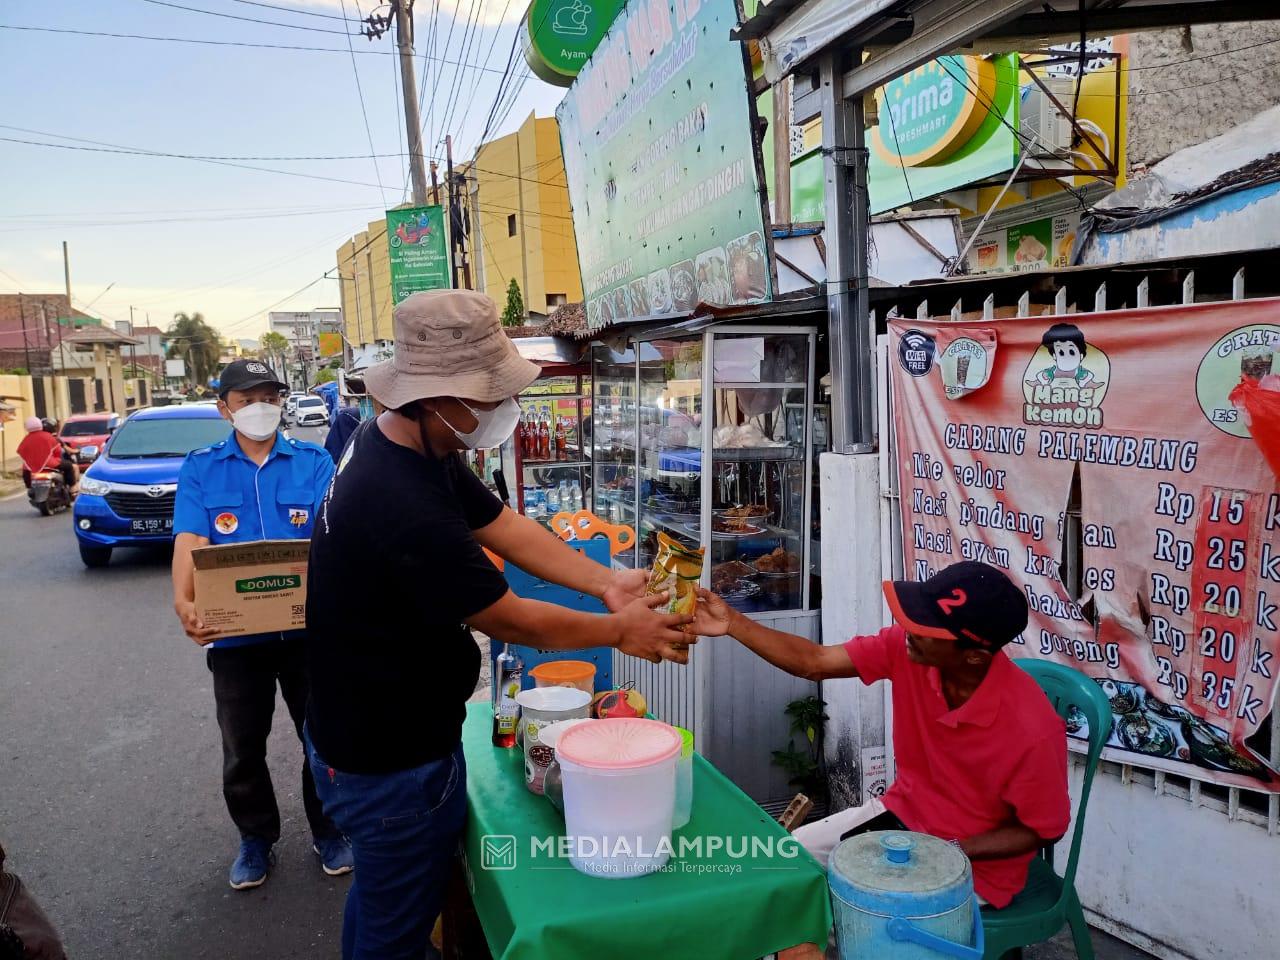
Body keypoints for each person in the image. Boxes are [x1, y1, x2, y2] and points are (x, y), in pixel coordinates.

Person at [305, 289, 714, 960]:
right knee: (393, 927)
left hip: (365, 730)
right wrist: (620, 631)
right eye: (489, 393)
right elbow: (511, 617)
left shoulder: (409, 444)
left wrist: (605, 581)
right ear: (436, 398)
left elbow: (503, 523)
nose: (503, 405)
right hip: (389, 758)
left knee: (381, 900)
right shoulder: (397, 499)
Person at [698, 560, 1069, 911]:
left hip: (974, 868)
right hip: (901, 817)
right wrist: (732, 622)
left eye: (926, 628)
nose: (909, 629)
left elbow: (1043, 830)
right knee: (781, 861)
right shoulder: (908, 650)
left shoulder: (1032, 729)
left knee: (858, 910)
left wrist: (954, 848)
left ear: (974, 657)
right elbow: (815, 661)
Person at [170, 358, 353, 891]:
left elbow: (334, 533)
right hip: (235, 640)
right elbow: (191, 539)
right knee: (242, 747)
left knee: (322, 739)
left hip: (307, 634)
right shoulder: (203, 468)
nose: (260, 408)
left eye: (269, 398)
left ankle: (329, 829)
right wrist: (183, 600)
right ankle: (255, 838)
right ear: (223, 408)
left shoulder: (313, 461)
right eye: (247, 400)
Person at [17, 417, 77, 493]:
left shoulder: (26, 439)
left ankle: (31, 489)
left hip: (30, 467)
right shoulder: (48, 436)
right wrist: (56, 458)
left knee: (26, 476)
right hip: (51, 464)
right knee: (69, 466)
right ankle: (72, 488)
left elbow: (21, 452)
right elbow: (57, 451)